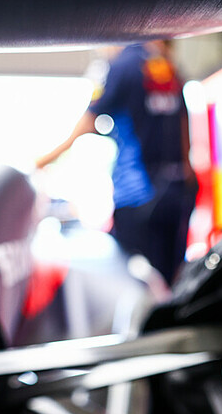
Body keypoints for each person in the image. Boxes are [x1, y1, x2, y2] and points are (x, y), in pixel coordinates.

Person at [37, 40, 196, 286]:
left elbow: (89, 121)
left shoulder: (121, 66)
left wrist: (42, 160)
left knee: (136, 281)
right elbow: (185, 128)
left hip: (139, 195)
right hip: (177, 192)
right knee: (172, 277)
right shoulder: (167, 67)